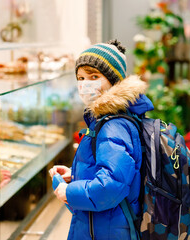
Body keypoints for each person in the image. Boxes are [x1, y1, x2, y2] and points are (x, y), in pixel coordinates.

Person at [49, 39, 154, 239]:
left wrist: (69, 192)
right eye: (80, 78)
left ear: (114, 81)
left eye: (94, 76)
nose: (84, 84)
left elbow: (111, 185)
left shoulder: (113, 126)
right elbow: (115, 168)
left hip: (106, 231)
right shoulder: (110, 119)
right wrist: (76, 174)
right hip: (103, 226)